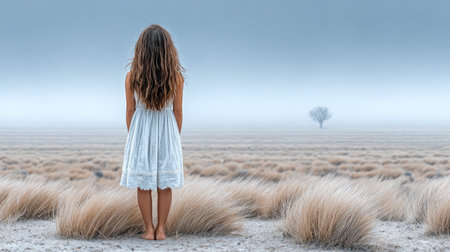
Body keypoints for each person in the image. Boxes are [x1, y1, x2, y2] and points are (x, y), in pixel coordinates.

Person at [120, 24, 185, 241]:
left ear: (141, 50)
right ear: (168, 50)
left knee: (143, 183)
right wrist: (174, 137)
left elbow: (130, 111)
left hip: (141, 133)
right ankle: (162, 230)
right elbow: (177, 112)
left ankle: (149, 230)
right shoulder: (176, 78)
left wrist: (135, 137)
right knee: (164, 184)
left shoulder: (132, 77)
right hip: (167, 132)